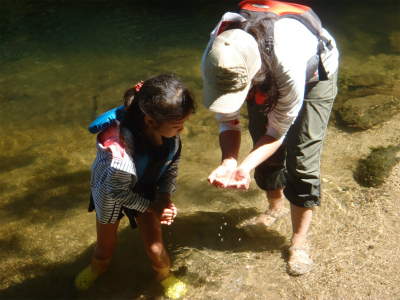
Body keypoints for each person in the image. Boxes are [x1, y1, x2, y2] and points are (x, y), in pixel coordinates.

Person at [201, 1, 339, 276]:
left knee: (302, 161)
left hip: (313, 75)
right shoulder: (216, 57)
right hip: (260, 72)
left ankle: (299, 241)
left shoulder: (286, 63)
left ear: (256, 74)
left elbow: (277, 132)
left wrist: (245, 167)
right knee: (262, 150)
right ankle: (275, 208)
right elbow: (228, 120)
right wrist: (230, 162)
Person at [75, 74, 195, 299]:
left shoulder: (171, 137)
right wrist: (152, 207)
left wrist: (164, 197)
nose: (181, 130)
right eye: (178, 125)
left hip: (146, 187)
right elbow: (116, 191)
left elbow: (171, 167)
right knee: (105, 247)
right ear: (151, 121)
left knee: (155, 249)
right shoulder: (119, 156)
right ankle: (97, 268)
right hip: (111, 191)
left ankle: (163, 275)